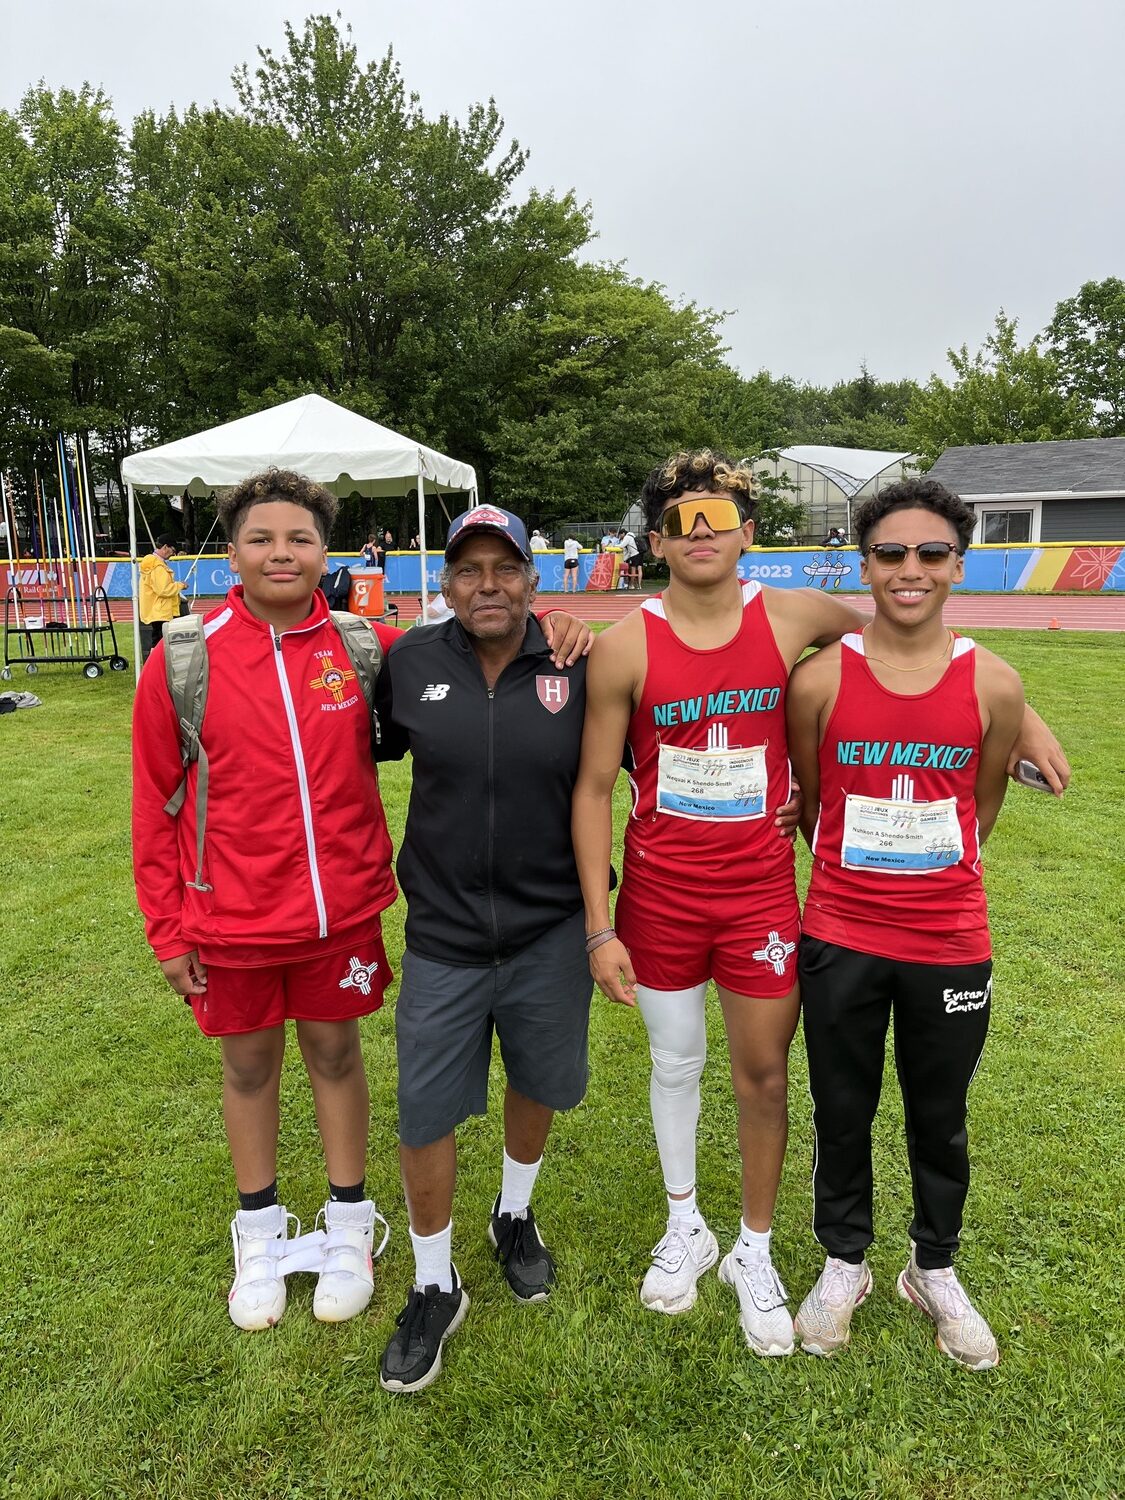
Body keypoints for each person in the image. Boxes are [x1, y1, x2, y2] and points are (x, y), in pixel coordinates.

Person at [571, 450, 1068, 1361]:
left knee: (829, 1089)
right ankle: (731, 1238)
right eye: (681, 522)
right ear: (655, 542)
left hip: (800, 905)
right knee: (720, 1074)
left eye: (719, 519)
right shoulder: (637, 646)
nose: (702, 534)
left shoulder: (798, 617)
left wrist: (1020, 712)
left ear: (749, 533)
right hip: (704, 901)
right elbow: (602, 782)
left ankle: (824, 1255)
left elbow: (906, 636)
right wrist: (598, 924)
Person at [132, 470, 403, 1332]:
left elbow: (475, 656)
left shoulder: (362, 645)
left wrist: (554, 631)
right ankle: (258, 1234)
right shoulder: (184, 658)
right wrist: (167, 931)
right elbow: (153, 805)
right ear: (232, 553)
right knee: (248, 1068)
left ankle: (349, 1224)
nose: (280, 553)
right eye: (261, 538)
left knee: (336, 1055)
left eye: (298, 538)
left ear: (324, 550)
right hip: (230, 920)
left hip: (339, 913)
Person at [786, 478, 1031, 1370]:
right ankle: (844, 1262)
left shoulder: (993, 684)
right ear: (865, 565)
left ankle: (932, 1267)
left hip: (949, 941)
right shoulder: (819, 680)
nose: (910, 569)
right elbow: (813, 805)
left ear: (957, 565)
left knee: (940, 1112)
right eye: (890, 553)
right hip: (841, 932)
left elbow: (981, 809)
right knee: (841, 1107)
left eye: (931, 552)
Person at [374, 505, 593, 1395]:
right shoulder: (410, 662)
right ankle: (434, 1282)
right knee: (424, 1110)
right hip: (444, 934)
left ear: (533, 580)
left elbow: (662, 759)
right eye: (469, 569)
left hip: (551, 930)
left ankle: (512, 1213)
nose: (487, 585)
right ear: (447, 583)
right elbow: (347, 753)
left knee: (538, 1080)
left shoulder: (580, 661)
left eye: (505, 568)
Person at [139, 534, 186, 660]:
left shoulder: (153, 564)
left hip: (157, 610)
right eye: (173, 550)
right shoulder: (157, 566)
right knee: (160, 643)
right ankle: (155, 666)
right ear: (165, 547)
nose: (173, 554)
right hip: (161, 611)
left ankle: (154, 664)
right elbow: (163, 590)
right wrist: (180, 585)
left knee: (158, 642)